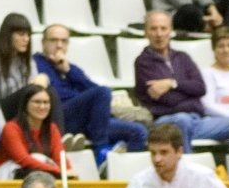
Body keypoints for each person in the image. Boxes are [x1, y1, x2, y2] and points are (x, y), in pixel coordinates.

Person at [134, 10, 229, 150]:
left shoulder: (183, 57)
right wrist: (189, 94)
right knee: (182, 120)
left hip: (197, 121)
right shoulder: (143, 63)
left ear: (171, 31)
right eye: (153, 29)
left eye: (163, 28)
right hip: (165, 122)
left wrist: (171, 83)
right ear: (146, 32)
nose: (159, 34)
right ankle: (185, 163)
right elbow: (168, 99)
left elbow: (200, 88)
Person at [35, 24, 148, 156]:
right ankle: (101, 149)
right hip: (61, 118)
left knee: (138, 131)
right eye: (54, 40)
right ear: (43, 43)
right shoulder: (36, 64)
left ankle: (113, 164)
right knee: (103, 92)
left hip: (92, 121)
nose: (59, 45)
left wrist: (69, 70)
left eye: (64, 41)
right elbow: (58, 95)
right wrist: (84, 99)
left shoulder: (68, 67)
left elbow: (94, 90)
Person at [0, 81, 74, 180]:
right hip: (5, 178)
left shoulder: (52, 128)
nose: (42, 107)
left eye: (46, 102)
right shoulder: (11, 128)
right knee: (38, 158)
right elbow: (23, 160)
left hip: (38, 176)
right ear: (25, 104)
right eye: (37, 102)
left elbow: (60, 159)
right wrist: (58, 171)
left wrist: (69, 174)